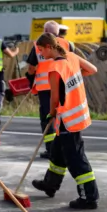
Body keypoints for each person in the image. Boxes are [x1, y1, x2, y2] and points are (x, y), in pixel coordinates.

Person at [31, 33, 99, 209]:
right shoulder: (72, 57)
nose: (41, 54)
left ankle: (89, 197)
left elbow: (54, 99)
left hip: (67, 118)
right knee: (57, 151)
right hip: (78, 114)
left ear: (49, 47)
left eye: (41, 50)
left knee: (75, 158)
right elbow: (92, 69)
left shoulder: (55, 67)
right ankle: (50, 184)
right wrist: (74, 78)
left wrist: (51, 113)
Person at [26, 20, 73, 159]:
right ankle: (64, 147)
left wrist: (30, 77)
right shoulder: (68, 44)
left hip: (45, 87)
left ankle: (51, 150)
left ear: (45, 31)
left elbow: (31, 68)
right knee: (63, 117)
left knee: (48, 119)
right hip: (64, 86)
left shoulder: (37, 45)